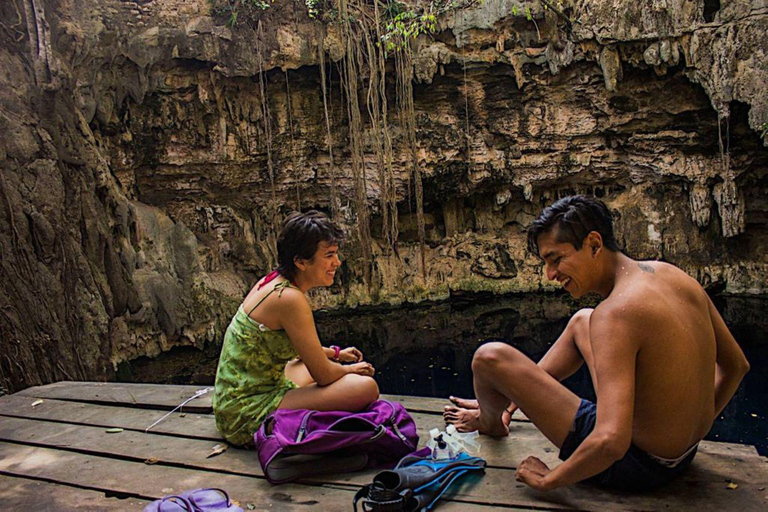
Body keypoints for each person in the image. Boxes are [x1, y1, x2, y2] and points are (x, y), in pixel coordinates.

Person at [444, 195, 750, 491]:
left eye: (557, 259)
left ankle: (491, 421)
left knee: (489, 357)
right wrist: (692, 428)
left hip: (637, 465)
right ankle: (509, 405)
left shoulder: (616, 314)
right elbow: (737, 366)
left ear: (593, 244)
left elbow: (610, 441)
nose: (550, 274)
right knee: (582, 320)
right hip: (683, 455)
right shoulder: (671, 274)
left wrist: (550, 479)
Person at [213, 210, 379, 446]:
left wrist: (336, 354)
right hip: (245, 414)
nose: (337, 262)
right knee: (365, 388)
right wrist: (351, 369)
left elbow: (300, 350)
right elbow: (324, 375)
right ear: (301, 261)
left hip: (233, 401)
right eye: (329, 255)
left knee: (302, 365)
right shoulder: (290, 299)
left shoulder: (271, 280)